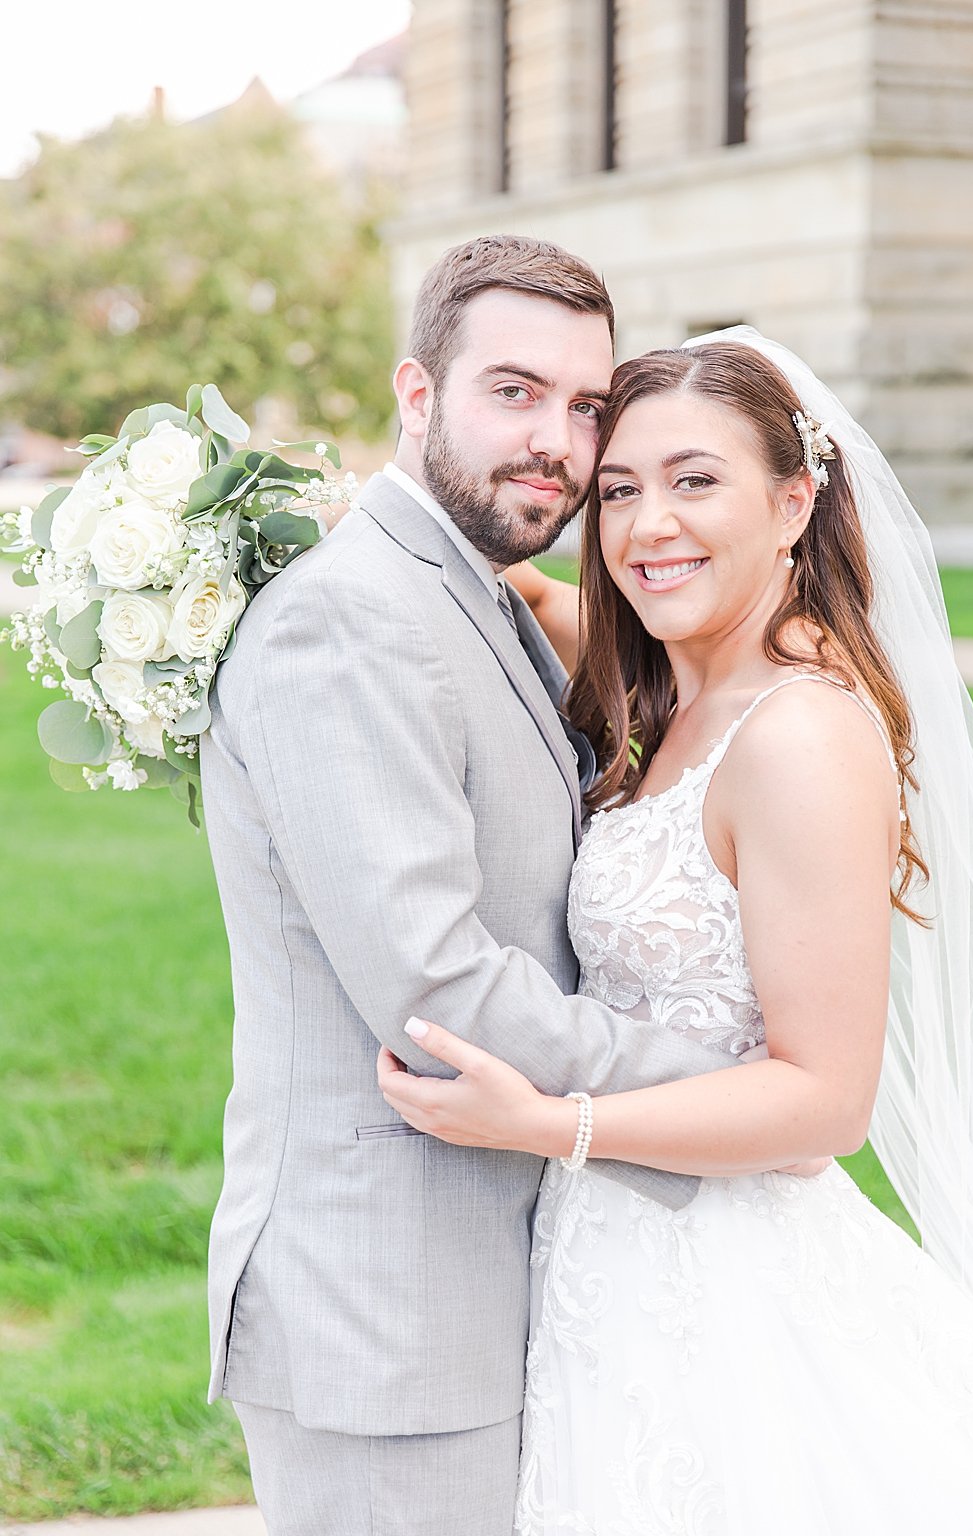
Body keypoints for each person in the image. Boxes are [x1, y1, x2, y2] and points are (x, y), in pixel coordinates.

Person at [377, 334, 973, 1531]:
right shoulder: (681, 684)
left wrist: (548, 1123)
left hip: (724, 1285)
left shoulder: (795, 735)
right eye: (618, 490)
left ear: (793, 501)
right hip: (615, 1262)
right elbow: (533, 594)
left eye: (693, 481)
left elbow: (827, 1101)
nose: (645, 526)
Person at [201, 236, 734, 1534]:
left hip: (489, 1280)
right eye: (514, 391)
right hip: (387, 1312)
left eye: (586, 404)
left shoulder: (478, 592)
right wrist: (718, 1094)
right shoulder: (352, 622)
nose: (556, 439)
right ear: (418, 392)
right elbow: (433, 984)